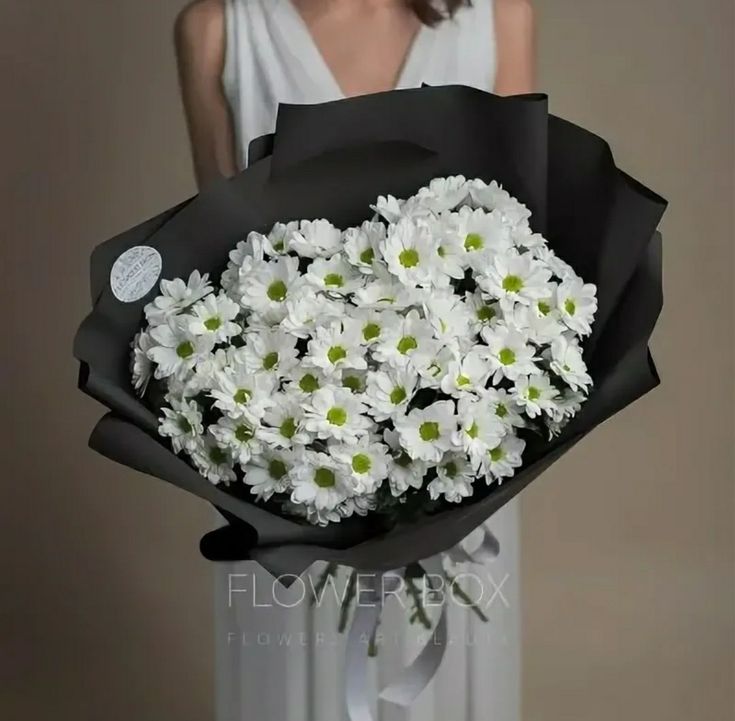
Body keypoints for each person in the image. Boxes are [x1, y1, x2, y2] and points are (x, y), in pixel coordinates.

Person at [175, 2, 534, 719]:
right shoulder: (217, 27)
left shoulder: (496, 12)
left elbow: (520, 230)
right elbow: (219, 257)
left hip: (457, 439)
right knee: (291, 676)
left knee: (446, 668)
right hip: (288, 441)